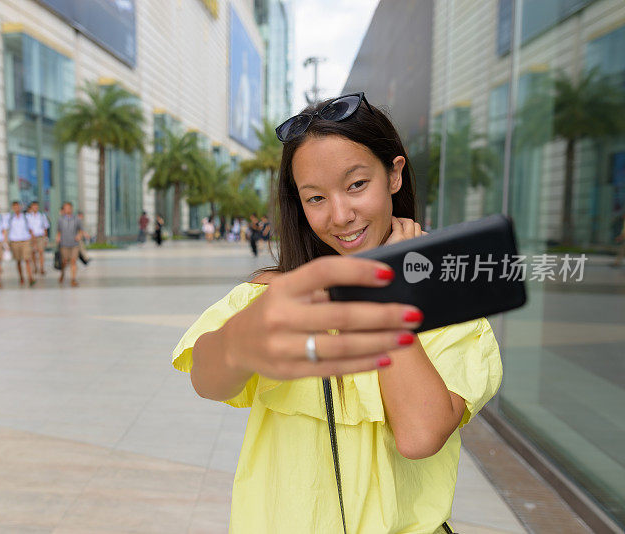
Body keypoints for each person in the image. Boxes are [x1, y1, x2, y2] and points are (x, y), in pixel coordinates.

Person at [171, 93, 502, 533]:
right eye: (315, 198)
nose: (340, 215)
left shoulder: (450, 306)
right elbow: (207, 380)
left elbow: (420, 436)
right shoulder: (272, 295)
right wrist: (242, 339)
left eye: (356, 185)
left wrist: (386, 289)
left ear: (394, 175)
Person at [7, 201, 35, 286]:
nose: (17, 209)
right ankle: (21, 277)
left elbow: (31, 230)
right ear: (12, 208)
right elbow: (6, 230)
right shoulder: (10, 218)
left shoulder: (26, 217)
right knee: (18, 261)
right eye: (15, 207)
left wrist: (33, 242)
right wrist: (6, 243)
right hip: (15, 241)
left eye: (18, 207)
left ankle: (30, 277)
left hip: (25, 240)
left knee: (27, 259)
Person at [55, 201, 83, 287]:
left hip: (74, 244)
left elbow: (81, 230)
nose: (68, 209)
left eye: (69, 207)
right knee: (64, 261)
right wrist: (58, 237)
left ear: (71, 208)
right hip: (64, 244)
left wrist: (79, 235)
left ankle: (73, 279)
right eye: (66, 208)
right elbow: (59, 231)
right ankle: (62, 273)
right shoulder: (60, 219)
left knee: (73, 261)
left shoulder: (77, 219)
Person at [26, 201, 50, 275]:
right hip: (31, 237)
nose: (35, 208)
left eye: (36, 206)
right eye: (33, 206)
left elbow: (45, 227)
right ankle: (35, 266)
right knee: (33, 252)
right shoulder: (28, 216)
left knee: (41, 252)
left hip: (40, 236)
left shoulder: (42, 216)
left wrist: (46, 238)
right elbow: (28, 228)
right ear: (31, 207)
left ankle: (42, 268)